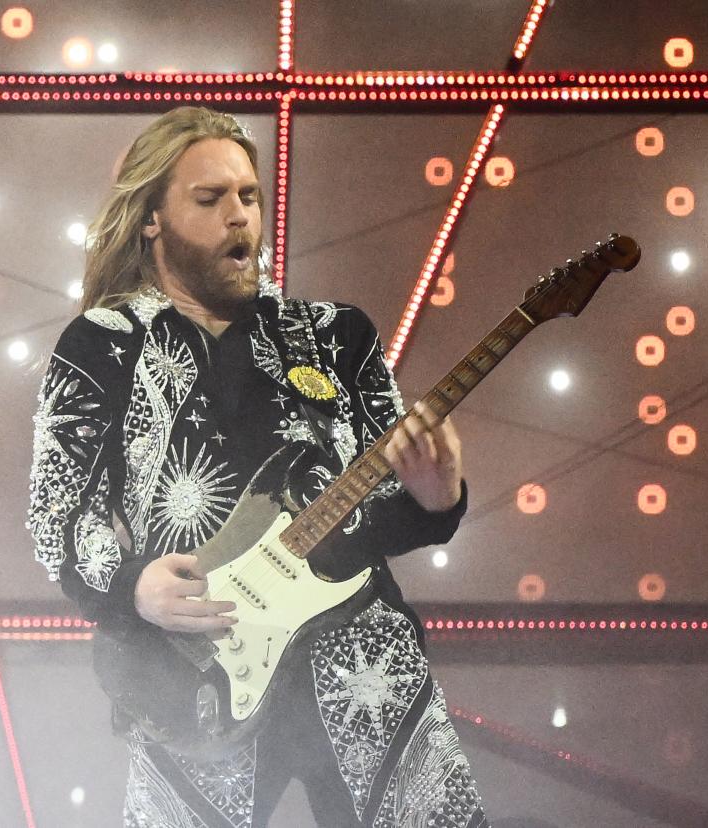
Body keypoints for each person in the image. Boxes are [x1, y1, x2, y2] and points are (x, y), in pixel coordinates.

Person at [26, 106, 489, 827]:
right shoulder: (100, 346)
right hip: (196, 670)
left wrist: (436, 499)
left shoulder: (335, 335)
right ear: (152, 218)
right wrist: (132, 586)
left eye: (248, 197)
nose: (239, 217)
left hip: (361, 661)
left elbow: (386, 509)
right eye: (210, 200)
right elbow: (59, 514)